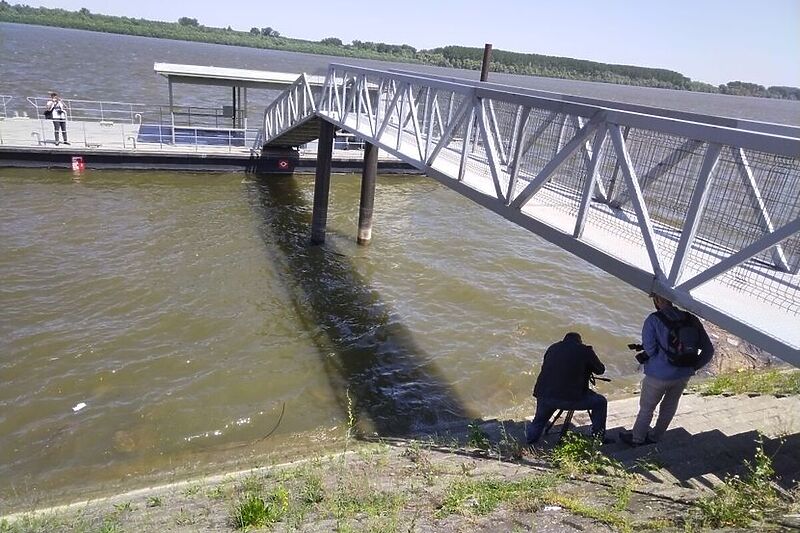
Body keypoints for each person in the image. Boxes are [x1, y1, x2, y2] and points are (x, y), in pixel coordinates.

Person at [619, 294, 714, 446]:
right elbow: (709, 350)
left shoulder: (653, 319)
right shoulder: (691, 319)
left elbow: (650, 350)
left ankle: (637, 439)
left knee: (647, 408)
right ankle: (655, 437)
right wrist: (693, 367)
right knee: (669, 406)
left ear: (657, 300)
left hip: (658, 375)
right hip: (683, 374)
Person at [525, 332, 609, 445]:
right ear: (579, 341)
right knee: (600, 402)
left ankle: (530, 442)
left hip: (544, 394)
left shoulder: (553, 348)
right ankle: (598, 438)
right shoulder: (585, 350)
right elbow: (600, 370)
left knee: (539, 420)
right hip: (570, 398)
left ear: (564, 340)